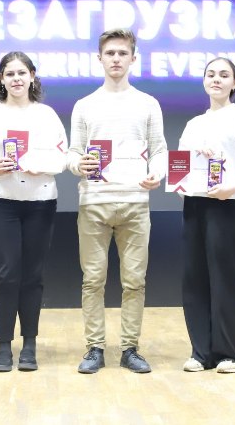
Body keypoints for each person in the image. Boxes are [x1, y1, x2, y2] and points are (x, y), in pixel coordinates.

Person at [68, 28, 167, 374]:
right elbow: (73, 152)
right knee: (92, 280)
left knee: (135, 281)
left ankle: (129, 348)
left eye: (122, 53)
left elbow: (159, 150)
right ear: (99, 58)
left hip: (135, 202)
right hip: (94, 202)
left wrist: (157, 172)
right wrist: (77, 164)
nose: (116, 59)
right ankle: (94, 348)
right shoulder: (85, 105)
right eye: (110, 53)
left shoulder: (148, 103)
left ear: (133, 58)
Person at [0, 51, 67, 372]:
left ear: (32, 76)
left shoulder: (47, 115)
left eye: (22, 73)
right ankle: (4, 346)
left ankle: (30, 344)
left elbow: (63, 157)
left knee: (33, 275)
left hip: (40, 202)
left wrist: (40, 165)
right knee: (6, 274)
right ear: (1, 79)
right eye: (10, 74)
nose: (16, 79)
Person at [178, 57, 235, 374]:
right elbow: (180, 167)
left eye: (224, 75)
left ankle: (230, 354)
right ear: (204, 80)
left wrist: (230, 189)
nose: (216, 79)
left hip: (228, 205)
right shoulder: (193, 125)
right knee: (195, 278)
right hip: (195, 204)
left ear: (234, 83)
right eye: (211, 74)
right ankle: (200, 353)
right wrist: (189, 163)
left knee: (225, 278)